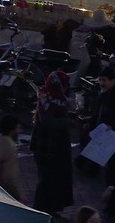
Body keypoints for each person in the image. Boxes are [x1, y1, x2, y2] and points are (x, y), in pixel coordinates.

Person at [32, 69, 75, 216]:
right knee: (49, 179)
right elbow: (48, 122)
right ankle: (45, 209)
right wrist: (68, 122)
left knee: (50, 178)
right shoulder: (49, 100)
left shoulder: (48, 96)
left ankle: (49, 208)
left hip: (49, 145)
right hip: (49, 147)